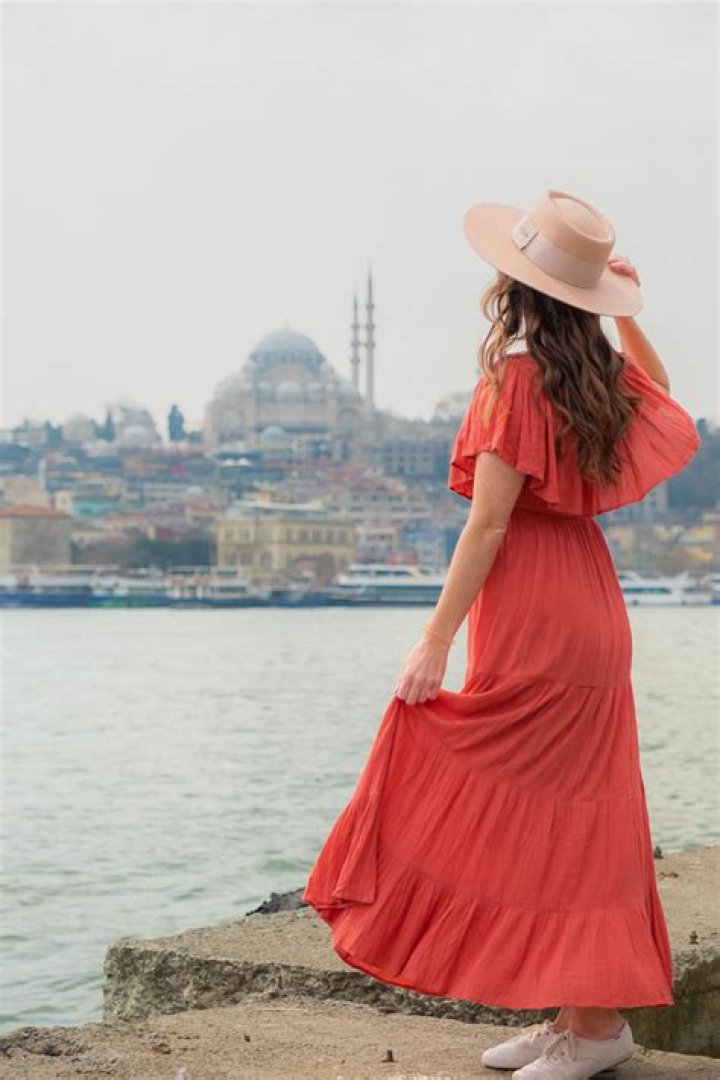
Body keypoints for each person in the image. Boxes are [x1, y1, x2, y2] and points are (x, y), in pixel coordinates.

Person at [302, 189, 701, 1079]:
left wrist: (434, 638)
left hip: (535, 612)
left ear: (512, 285)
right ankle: (580, 1013)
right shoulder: (586, 370)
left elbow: (486, 526)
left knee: (533, 798)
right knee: (572, 807)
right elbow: (667, 398)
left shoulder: (516, 378)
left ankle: (594, 1024)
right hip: (586, 600)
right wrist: (628, 315)